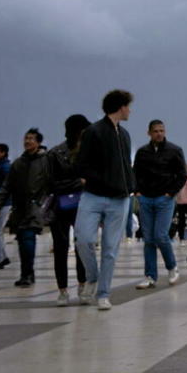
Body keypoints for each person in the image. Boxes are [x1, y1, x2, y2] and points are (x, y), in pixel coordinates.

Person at [75, 89, 137, 309]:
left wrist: (131, 185)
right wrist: (103, 181)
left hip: (120, 199)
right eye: (128, 106)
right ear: (120, 107)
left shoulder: (125, 134)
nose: (130, 110)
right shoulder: (94, 131)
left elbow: (126, 166)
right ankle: (92, 276)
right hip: (93, 196)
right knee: (83, 239)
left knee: (111, 249)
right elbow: (81, 165)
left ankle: (103, 293)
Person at [132, 119, 186, 289]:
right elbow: (135, 173)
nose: (159, 134)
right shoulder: (142, 152)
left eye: (162, 130)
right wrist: (137, 192)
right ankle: (150, 276)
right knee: (148, 238)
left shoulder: (174, 150)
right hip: (146, 198)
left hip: (165, 199)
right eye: (155, 131)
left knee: (161, 236)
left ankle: (172, 267)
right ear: (149, 133)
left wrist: (171, 193)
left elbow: (182, 174)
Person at [0, 129, 48, 287]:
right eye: (26, 138)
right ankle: (27, 273)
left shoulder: (46, 160)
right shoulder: (18, 163)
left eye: (31, 138)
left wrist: (44, 201)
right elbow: (7, 186)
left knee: (28, 238)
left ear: (38, 142)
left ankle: (28, 274)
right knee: (22, 241)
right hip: (19, 209)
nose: (27, 141)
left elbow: (52, 182)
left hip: (36, 207)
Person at [46, 115, 89, 304]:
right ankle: (62, 290)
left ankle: (82, 285)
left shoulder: (89, 152)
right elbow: (51, 183)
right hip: (61, 206)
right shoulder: (55, 153)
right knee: (61, 248)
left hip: (84, 206)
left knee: (83, 246)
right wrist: (77, 182)